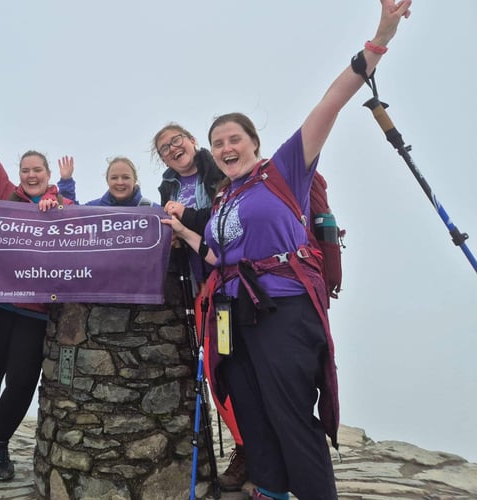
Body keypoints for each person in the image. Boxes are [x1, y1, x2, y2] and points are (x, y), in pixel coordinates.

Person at [163, 2, 412, 498]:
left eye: (235, 138)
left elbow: (330, 102)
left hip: (282, 308)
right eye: (219, 141)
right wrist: (183, 230)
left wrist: (380, 37)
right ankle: (270, 490)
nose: (226, 146)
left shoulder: (283, 172)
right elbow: (216, 257)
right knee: (252, 411)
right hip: (234, 312)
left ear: (253, 143)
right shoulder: (224, 199)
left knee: (291, 411)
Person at [0, 79, 74, 485]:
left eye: (37, 170)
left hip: (36, 311)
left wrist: (58, 208)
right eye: (25, 170)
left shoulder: (63, 205)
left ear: (47, 175)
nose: (31, 175)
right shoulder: (5, 195)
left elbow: (86, 231)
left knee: (22, 379)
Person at [154, 124, 247, 491]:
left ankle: (250, 451)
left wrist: (186, 219)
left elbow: (227, 226)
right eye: (164, 148)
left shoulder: (221, 172)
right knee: (219, 369)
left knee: (236, 368)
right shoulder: (167, 187)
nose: (173, 149)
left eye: (177, 140)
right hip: (200, 290)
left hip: (233, 285)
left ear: (192, 140)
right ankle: (247, 448)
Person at [58, 155, 157, 206]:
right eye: (114, 178)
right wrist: (66, 181)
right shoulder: (95, 209)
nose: (120, 182)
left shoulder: (151, 210)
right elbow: (68, 212)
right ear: (107, 181)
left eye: (126, 177)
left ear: (134, 180)